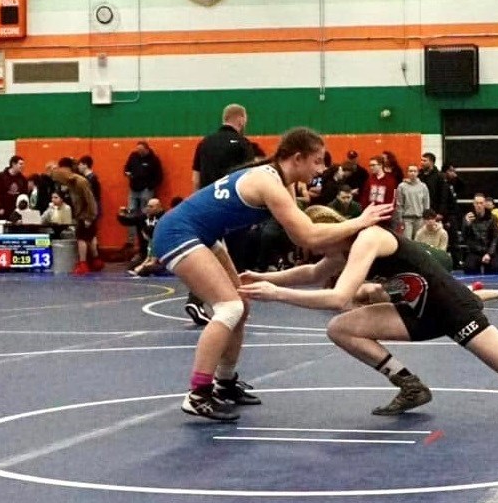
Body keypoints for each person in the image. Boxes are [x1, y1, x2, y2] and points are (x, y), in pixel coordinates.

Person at [238, 205, 498, 416]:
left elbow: (338, 296)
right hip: (414, 309)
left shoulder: (367, 239)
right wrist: (266, 277)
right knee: (342, 329)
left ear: (325, 232)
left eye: (311, 240)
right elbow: (313, 271)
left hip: (450, 309)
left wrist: (276, 295)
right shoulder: (340, 247)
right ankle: (411, 386)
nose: (310, 249)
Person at [150, 127, 393, 421]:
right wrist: (358, 222)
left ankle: (224, 383)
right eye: (317, 161)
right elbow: (308, 237)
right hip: (178, 233)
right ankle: (198, 394)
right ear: (298, 158)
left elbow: (301, 228)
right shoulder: (268, 182)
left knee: (242, 304)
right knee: (229, 307)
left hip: (203, 233)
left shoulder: (281, 179)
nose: (322, 168)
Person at [185, 105, 257, 325]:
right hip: (233, 207)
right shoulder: (244, 144)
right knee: (234, 256)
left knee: (209, 255)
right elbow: (250, 177)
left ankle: (196, 298)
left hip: (207, 205)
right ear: (241, 119)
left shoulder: (204, 143)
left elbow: (196, 179)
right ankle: (233, 302)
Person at [124, 141, 163, 246]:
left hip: (146, 190)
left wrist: (150, 186)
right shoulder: (133, 156)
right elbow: (126, 168)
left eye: (141, 150)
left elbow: (159, 176)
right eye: (138, 150)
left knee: (144, 214)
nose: (139, 152)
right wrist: (127, 174)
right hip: (133, 189)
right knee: (131, 214)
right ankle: (131, 241)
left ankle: (144, 240)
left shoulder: (153, 159)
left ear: (147, 149)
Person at [395, 165, 430, 239]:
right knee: (407, 240)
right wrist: (400, 219)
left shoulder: (423, 186)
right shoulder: (402, 186)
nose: (412, 173)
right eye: (410, 171)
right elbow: (399, 204)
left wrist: (426, 218)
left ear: (418, 173)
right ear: (407, 173)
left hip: (419, 218)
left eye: (415, 171)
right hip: (407, 219)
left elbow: (426, 204)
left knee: (419, 241)